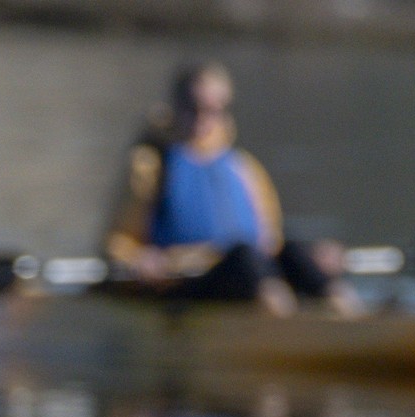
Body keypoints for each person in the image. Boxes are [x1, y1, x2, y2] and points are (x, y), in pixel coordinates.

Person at [102, 62, 360, 316]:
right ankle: (285, 328)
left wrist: (314, 258)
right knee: (244, 259)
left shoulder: (244, 168)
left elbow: (270, 243)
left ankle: (349, 314)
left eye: (214, 110)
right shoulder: (150, 167)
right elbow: (118, 245)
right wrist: (138, 260)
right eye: (193, 109)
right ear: (177, 107)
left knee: (292, 251)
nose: (202, 120)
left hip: (243, 277)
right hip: (184, 284)